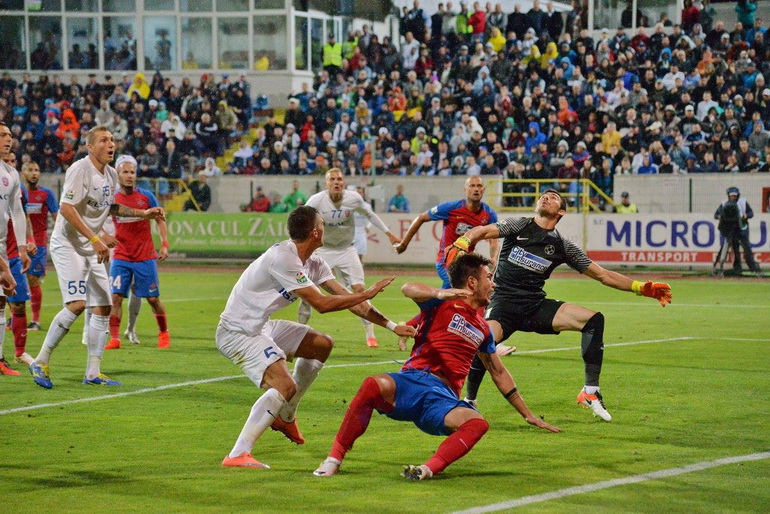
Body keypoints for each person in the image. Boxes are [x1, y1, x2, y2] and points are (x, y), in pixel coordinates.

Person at [313, 253, 560, 480]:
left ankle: (427, 469)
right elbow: (407, 288)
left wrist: (527, 414)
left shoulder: (484, 329)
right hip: (411, 382)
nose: (493, 284)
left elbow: (498, 372)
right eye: (488, 278)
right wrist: (439, 293)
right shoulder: (441, 302)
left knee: (478, 423)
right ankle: (334, 458)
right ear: (472, 283)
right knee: (371, 385)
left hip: (442, 400)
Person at [444, 189, 672, 422]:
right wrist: (465, 240)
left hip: (534, 306)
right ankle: (469, 401)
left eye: (553, 198)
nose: (546, 197)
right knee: (483, 340)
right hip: (504, 304)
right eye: (544, 195)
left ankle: (590, 393)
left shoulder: (563, 246)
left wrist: (640, 287)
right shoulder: (519, 225)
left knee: (593, 320)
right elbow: (483, 231)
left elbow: (602, 275)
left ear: (561, 211)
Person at [217, 206, 414, 468]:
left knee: (321, 345)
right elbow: (321, 304)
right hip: (238, 332)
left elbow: (348, 300)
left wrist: (390, 326)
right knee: (284, 386)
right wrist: (365, 293)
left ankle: (286, 414)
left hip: (260, 326)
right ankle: (238, 453)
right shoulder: (283, 258)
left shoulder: (315, 262)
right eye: (323, 223)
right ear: (315, 232)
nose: (326, 227)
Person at [28, 126, 165, 389]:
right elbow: (67, 209)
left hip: (91, 245)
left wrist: (144, 213)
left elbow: (109, 206)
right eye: (104, 140)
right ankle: (41, 360)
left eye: (113, 140)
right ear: (90, 147)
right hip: (68, 243)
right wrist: (95, 239)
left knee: (103, 306)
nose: (111, 144)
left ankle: (93, 372)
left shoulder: (111, 173)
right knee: (78, 304)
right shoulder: (80, 169)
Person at [394, 176, 501, 352]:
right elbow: (421, 217)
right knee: (470, 294)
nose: (476, 189)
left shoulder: (488, 214)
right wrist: (404, 243)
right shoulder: (451, 208)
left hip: (466, 266)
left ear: (483, 190)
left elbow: (493, 240)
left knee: (444, 301)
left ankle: (408, 329)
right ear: (465, 190)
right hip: (446, 262)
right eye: (472, 186)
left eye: (479, 186)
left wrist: (493, 257)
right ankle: (485, 343)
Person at [300, 169, 402, 348]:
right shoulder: (316, 201)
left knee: (359, 289)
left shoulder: (353, 198)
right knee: (307, 292)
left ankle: (370, 333)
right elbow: (300, 219)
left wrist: (389, 233)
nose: (336, 182)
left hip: (347, 249)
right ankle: (298, 333)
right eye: (332, 179)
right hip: (323, 251)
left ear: (344, 183)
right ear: (326, 184)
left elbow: (369, 214)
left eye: (339, 179)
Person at [104, 155, 171, 350]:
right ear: (117, 175)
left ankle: (164, 332)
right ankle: (115, 338)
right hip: (121, 255)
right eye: (125, 172)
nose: (130, 176)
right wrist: (103, 236)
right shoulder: (112, 198)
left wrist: (164, 244)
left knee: (152, 298)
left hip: (145, 255)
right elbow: (96, 219)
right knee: (115, 297)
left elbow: (160, 218)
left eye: (132, 172)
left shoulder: (146, 197)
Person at [0, 130, 30, 376]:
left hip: (2, 245)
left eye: (9, 135)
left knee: (1, 302)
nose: (8, 139)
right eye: (1, 135)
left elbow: (17, 212)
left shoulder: (10, 173)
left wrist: (21, 246)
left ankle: (0, 359)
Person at [22, 161, 59, 331]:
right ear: (23, 173)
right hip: (18, 243)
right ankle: (16, 317)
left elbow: (56, 218)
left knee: (33, 280)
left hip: (38, 244)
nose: (34, 173)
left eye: (37, 170)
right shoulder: (18, 193)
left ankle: (35, 320)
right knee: (14, 280)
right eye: (30, 170)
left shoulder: (46, 194)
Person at [714, 187, 761, 276]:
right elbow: (716, 214)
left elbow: (751, 213)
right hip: (731, 229)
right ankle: (737, 268)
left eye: (735, 196)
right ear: (728, 196)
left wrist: (745, 216)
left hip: (742, 228)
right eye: (731, 196)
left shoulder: (743, 202)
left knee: (746, 248)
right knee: (735, 249)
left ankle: (753, 267)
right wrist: (722, 217)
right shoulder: (724, 203)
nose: (733, 197)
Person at [353, 186, 370, 262]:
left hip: (361, 231)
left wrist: (368, 226)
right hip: (351, 231)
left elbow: (371, 218)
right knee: (351, 253)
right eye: (357, 192)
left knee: (360, 252)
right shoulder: (349, 205)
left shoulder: (367, 206)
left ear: (363, 194)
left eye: (360, 192)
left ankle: (360, 269)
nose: (358, 194)